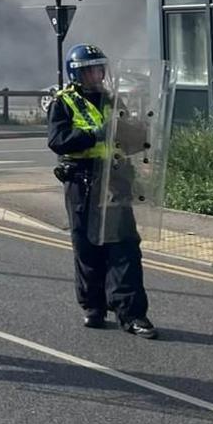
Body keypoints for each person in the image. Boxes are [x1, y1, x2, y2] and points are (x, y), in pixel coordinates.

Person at [47, 44, 157, 338]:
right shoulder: (63, 102)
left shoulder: (112, 98)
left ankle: (132, 313)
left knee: (124, 247)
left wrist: (140, 130)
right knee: (87, 246)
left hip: (115, 179)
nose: (97, 74)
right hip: (82, 180)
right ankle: (93, 306)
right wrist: (94, 134)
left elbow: (127, 139)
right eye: (91, 70)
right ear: (78, 73)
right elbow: (58, 140)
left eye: (100, 69)